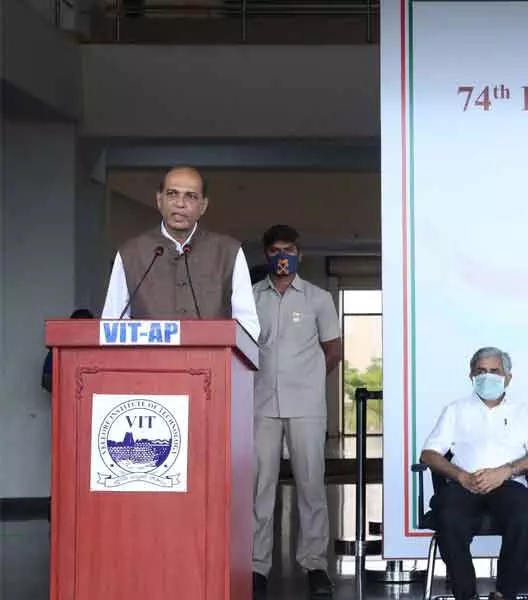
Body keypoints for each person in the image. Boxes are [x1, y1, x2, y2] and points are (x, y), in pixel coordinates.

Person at [251, 225, 342, 600]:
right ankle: (256, 566)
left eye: (288, 250)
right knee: (259, 488)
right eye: (274, 250)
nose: (282, 256)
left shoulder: (318, 298)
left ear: (299, 255)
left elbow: (333, 348)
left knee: (310, 486)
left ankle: (315, 565)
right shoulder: (251, 297)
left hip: (306, 405)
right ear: (267, 256)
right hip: (260, 404)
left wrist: (310, 379)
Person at [420, 347, 528, 600]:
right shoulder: (455, 410)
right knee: (448, 517)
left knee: (525, 516)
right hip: (463, 485)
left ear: (508, 378)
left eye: (494, 371)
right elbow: (429, 455)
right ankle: (465, 594)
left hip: (509, 485)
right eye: (481, 371)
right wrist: (462, 476)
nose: (487, 377)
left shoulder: (525, 411)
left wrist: (505, 471)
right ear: (471, 375)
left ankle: (505, 593)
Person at [100, 166, 260, 341]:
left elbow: (248, 327)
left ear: (203, 206)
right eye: (172, 194)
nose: (180, 203)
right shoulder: (131, 253)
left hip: (211, 365)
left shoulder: (228, 251)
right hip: (148, 365)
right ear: (159, 200)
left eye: (190, 196)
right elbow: (111, 326)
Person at [42, 308, 94, 393]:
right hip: (67, 399)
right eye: (79, 326)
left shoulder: (98, 350)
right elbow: (47, 380)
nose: (81, 331)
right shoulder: (59, 349)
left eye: (84, 327)